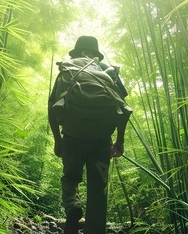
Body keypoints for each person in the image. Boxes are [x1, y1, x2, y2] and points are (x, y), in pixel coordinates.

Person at [48, 36, 130, 234]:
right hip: (101, 142)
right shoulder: (108, 71)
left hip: (72, 138)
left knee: (70, 178)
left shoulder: (67, 69)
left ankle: (72, 206)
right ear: (96, 53)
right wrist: (119, 141)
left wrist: (57, 141)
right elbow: (123, 108)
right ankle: (95, 230)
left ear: (76, 53)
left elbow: (52, 108)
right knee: (98, 188)